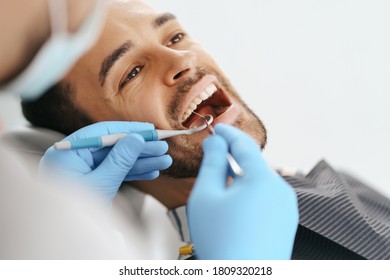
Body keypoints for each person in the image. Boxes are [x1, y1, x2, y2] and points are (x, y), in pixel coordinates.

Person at [19, 0, 390, 260]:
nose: (182, 59)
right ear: (108, 139)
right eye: (132, 73)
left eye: (175, 37)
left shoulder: (341, 184)